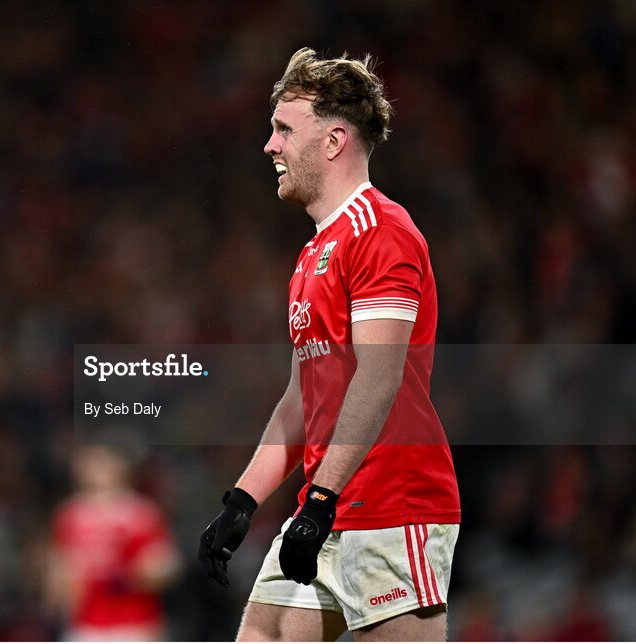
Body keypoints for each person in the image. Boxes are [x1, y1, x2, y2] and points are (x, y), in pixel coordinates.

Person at [197, 48, 461, 641]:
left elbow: (379, 377)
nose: (270, 146)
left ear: (335, 140)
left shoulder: (382, 233)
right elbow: (301, 396)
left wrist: (320, 498)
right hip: (328, 505)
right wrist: (243, 500)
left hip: (394, 506)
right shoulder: (314, 253)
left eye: (284, 129)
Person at [49, 444, 181, 641]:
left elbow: (166, 563)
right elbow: (61, 568)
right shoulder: (71, 515)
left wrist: (147, 573)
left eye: (102, 462)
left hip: (134, 623)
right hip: (86, 624)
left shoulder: (140, 513)